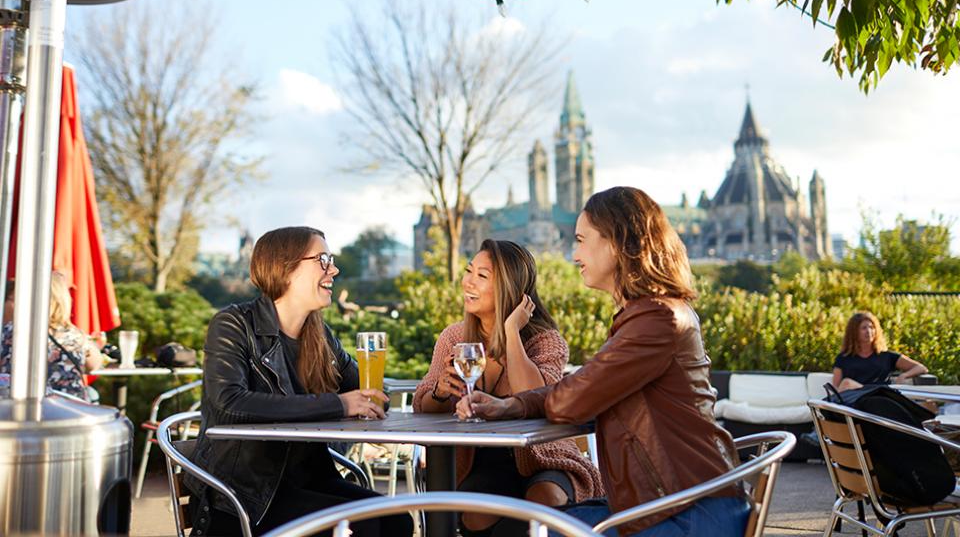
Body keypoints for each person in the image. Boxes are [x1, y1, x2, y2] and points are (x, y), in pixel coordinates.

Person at [457, 188, 749, 537]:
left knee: (538, 529)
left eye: (581, 240)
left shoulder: (655, 320)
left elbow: (573, 399)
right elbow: (583, 390)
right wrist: (511, 406)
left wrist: (514, 404)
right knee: (535, 525)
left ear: (617, 242)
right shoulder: (649, 314)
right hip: (668, 501)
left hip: (687, 512)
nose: (574, 253)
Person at [184, 226, 413, 537]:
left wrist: (376, 394)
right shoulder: (234, 324)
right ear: (286, 268)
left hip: (309, 482)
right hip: (244, 498)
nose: (334, 268)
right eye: (322, 259)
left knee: (397, 520)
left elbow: (372, 390)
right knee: (366, 527)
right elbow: (230, 403)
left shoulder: (319, 335)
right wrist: (340, 403)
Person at [414, 239, 603, 537]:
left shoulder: (545, 341)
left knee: (543, 503)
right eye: (468, 271)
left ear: (510, 288)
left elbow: (538, 399)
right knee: (476, 516)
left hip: (544, 456)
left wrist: (511, 331)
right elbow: (422, 406)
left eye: (482, 276)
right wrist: (439, 391)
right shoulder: (454, 338)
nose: (468, 282)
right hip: (482, 461)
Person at [0, 271, 104, 401]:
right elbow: (94, 365)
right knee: (92, 394)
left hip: (23, 409)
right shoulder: (75, 335)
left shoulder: (9, 332)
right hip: (71, 410)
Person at [832, 311, 927, 391]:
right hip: (854, 401)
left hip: (879, 398)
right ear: (854, 332)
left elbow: (921, 368)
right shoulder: (843, 358)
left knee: (847, 383)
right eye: (864, 328)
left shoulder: (887, 356)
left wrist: (904, 375)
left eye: (872, 327)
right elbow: (835, 387)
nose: (869, 331)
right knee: (847, 383)